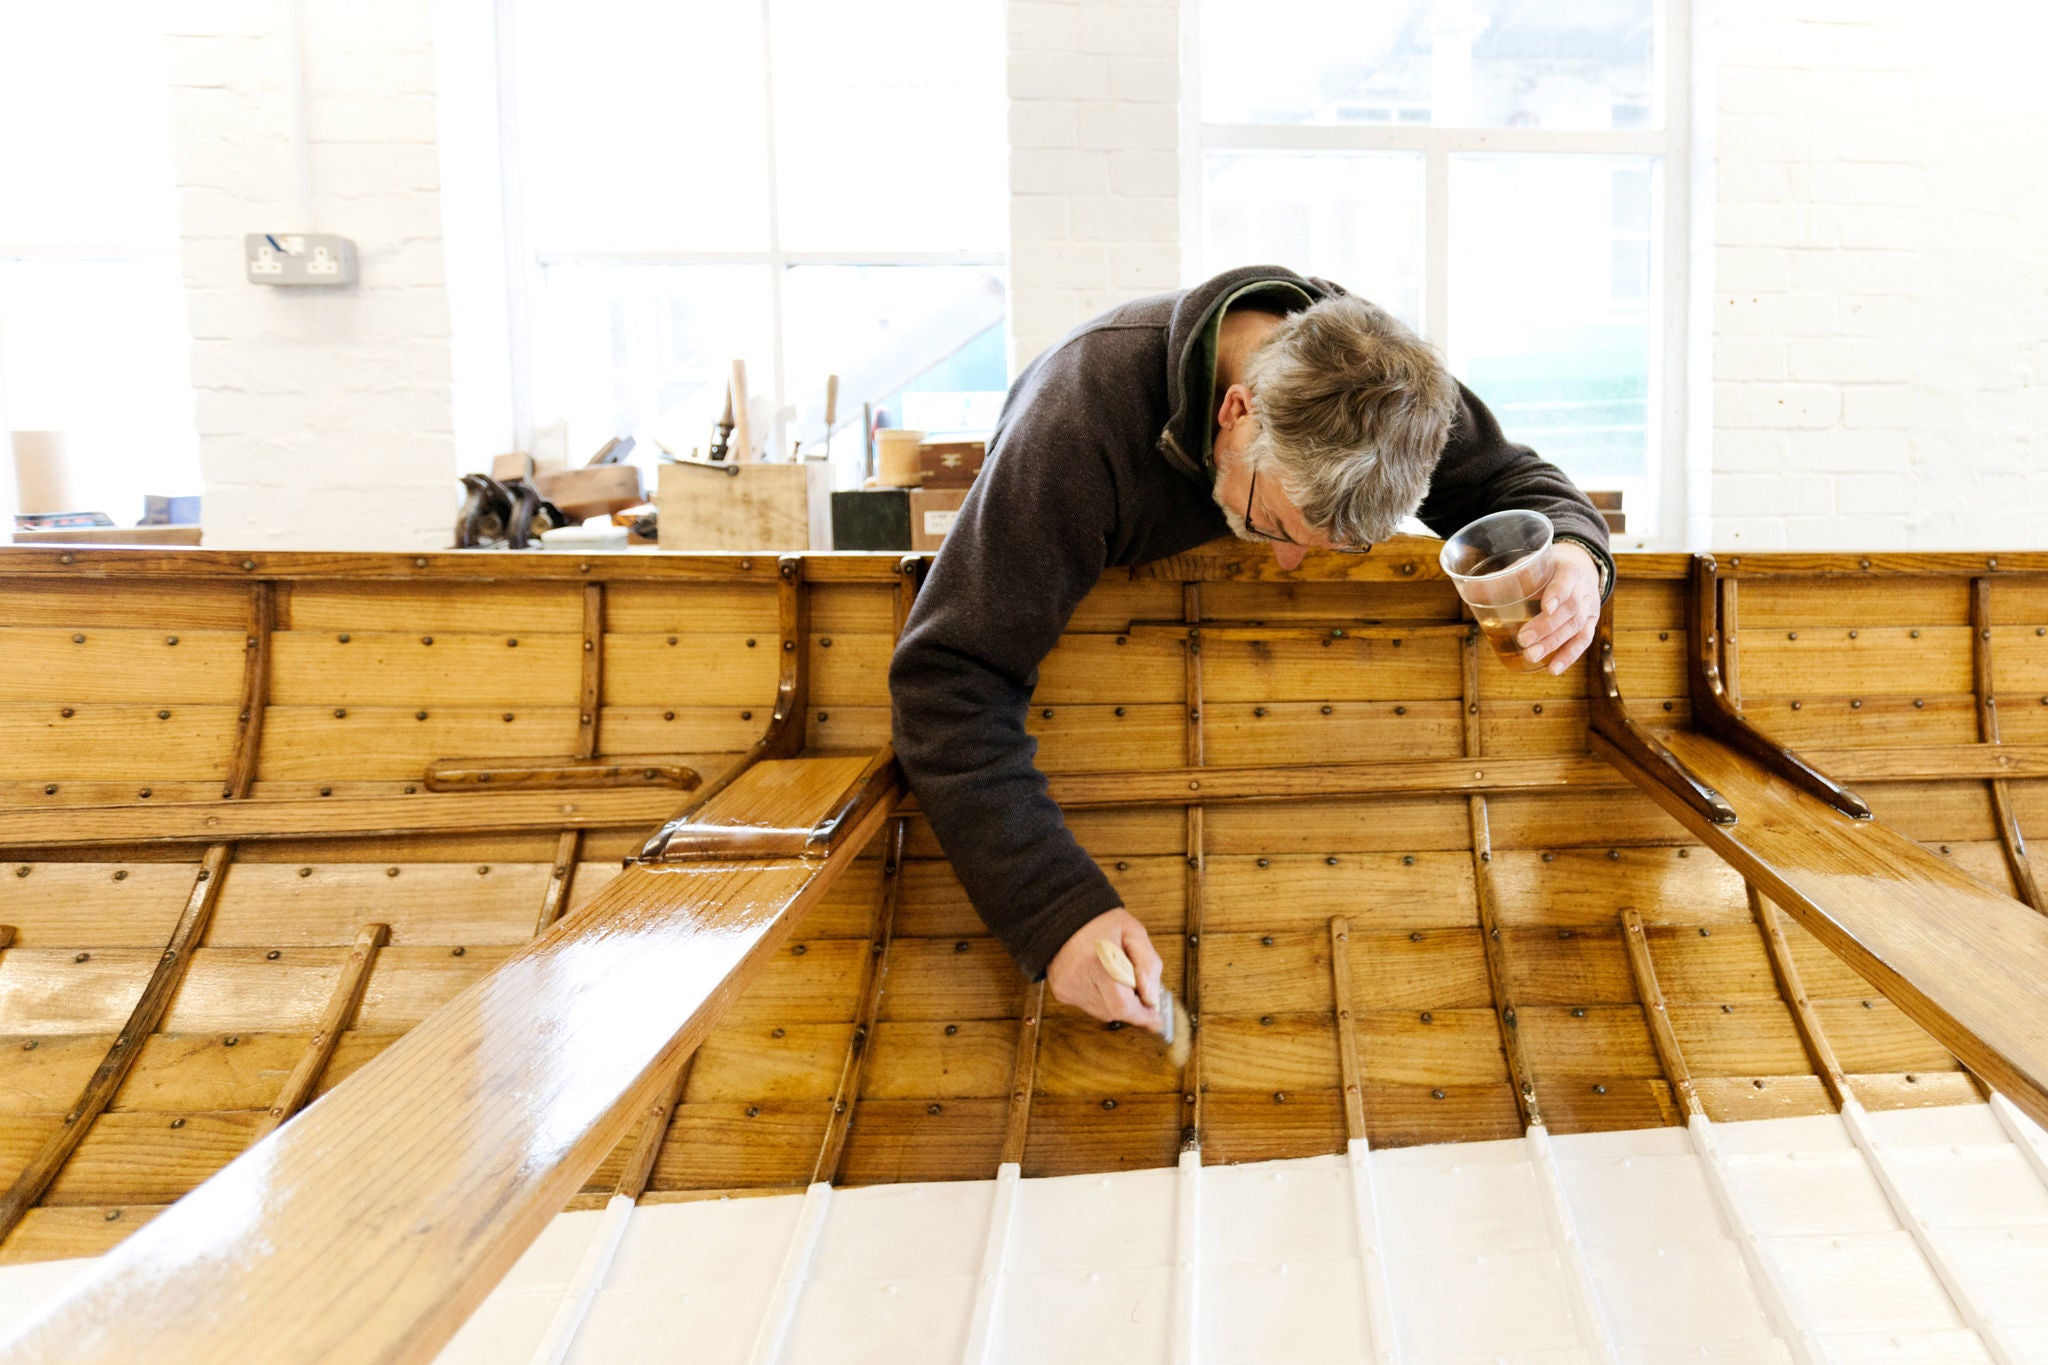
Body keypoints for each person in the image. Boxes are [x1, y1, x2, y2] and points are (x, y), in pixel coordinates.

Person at [887, 264, 1612, 1035]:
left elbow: (1523, 483)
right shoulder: (1073, 423)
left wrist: (1576, 554)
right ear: (1236, 411)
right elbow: (949, 680)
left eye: (1327, 547)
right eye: (1273, 524)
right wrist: (1056, 913)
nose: (1288, 565)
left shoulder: (1387, 388)